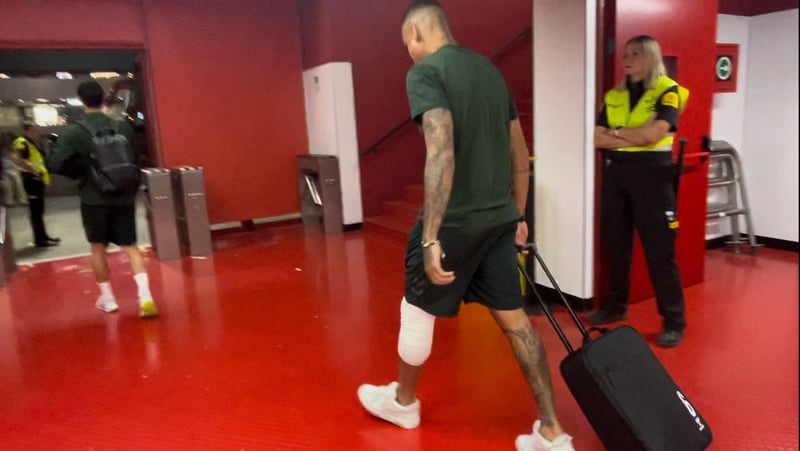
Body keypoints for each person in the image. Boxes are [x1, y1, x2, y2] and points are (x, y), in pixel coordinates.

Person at [357, 3, 574, 450]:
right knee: (517, 323)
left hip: (454, 222)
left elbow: (441, 153)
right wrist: (517, 215)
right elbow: (520, 156)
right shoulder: (491, 74)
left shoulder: (425, 73)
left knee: (417, 310)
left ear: (416, 33)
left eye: (407, 43)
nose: (409, 52)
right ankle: (553, 434)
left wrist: (431, 237)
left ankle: (403, 402)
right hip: (499, 220)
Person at [588, 35, 690, 348]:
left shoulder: (668, 91)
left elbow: (654, 134)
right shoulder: (614, 96)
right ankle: (616, 306)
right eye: (626, 55)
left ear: (651, 57)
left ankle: (674, 321)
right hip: (616, 174)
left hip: (653, 176)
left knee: (660, 251)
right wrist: (632, 136)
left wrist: (617, 134)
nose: (628, 60)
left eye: (636, 54)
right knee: (616, 245)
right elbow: (596, 138)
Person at [51, 80, 157, 318]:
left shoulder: (74, 132)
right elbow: (135, 157)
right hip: (123, 195)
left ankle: (108, 300)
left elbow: (56, 163)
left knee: (98, 248)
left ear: (81, 101)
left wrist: (82, 170)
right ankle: (146, 297)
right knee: (131, 246)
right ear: (103, 98)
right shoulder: (123, 127)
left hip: (93, 198)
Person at [11, 123, 60, 246]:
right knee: (35, 211)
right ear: (29, 130)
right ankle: (40, 239)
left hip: (38, 180)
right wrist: (33, 171)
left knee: (39, 210)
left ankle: (43, 236)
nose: (38, 133)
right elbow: (17, 159)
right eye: (36, 130)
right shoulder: (21, 142)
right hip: (31, 180)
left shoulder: (34, 143)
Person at [1, 131, 28, 206]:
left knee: (18, 183)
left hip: (14, 168)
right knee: (8, 185)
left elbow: (19, 159)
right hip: (4, 169)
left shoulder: (15, 148)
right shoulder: (1, 148)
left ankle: (22, 200)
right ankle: (9, 201)